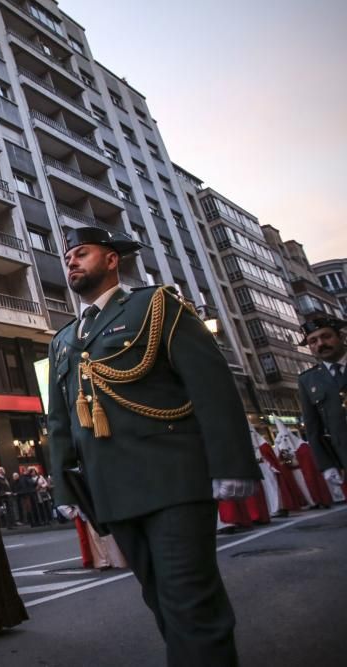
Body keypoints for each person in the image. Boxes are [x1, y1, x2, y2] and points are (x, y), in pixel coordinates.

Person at [47, 226, 260, 666]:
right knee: (161, 600)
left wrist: (231, 464)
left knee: (191, 602)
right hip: (111, 491)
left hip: (172, 480)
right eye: (67, 257)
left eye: (81, 253)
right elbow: (61, 421)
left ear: (111, 260)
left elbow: (211, 386)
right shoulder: (63, 340)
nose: (71, 261)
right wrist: (66, 488)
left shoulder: (155, 305)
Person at [297, 316, 347, 496]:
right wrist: (326, 464)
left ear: (340, 337)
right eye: (313, 341)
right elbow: (313, 427)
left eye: (326, 337)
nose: (320, 344)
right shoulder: (308, 379)